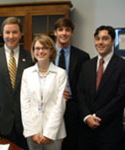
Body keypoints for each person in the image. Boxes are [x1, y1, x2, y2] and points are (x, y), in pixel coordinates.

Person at [0, 17, 33, 149]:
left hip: (24, 123)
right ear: (2, 34)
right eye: (7, 32)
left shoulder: (30, 58)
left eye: (14, 32)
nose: (11, 36)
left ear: (20, 34)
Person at [77, 25, 125, 150]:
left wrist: (98, 117)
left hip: (110, 131)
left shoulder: (122, 66)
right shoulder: (86, 65)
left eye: (105, 38)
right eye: (97, 39)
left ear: (113, 41)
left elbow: (121, 97)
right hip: (86, 132)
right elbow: (80, 93)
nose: (100, 42)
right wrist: (87, 117)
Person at [21, 34, 67, 150]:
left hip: (54, 132)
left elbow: (59, 105)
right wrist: (32, 132)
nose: (40, 51)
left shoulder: (60, 73)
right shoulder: (27, 73)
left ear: (51, 51)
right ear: (33, 51)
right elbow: (24, 104)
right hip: (33, 132)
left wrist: (49, 133)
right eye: (37, 48)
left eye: (44, 48)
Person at [54, 18, 90, 150]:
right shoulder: (46, 53)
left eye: (67, 30)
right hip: (51, 106)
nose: (64, 33)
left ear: (72, 33)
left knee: (71, 143)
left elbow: (84, 86)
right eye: (60, 29)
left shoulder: (82, 56)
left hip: (72, 107)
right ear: (55, 32)